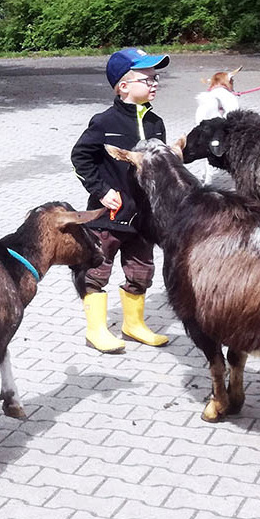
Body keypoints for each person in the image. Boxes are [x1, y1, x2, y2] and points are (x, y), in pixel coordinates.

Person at [71, 47, 170, 354]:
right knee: (96, 271)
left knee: (142, 270)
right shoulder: (104, 122)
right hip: (108, 216)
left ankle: (133, 324)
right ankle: (96, 329)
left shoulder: (156, 123)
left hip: (143, 217)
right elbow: (80, 157)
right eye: (148, 77)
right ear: (124, 86)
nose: (155, 83)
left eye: (156, 77)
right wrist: (101, 190)